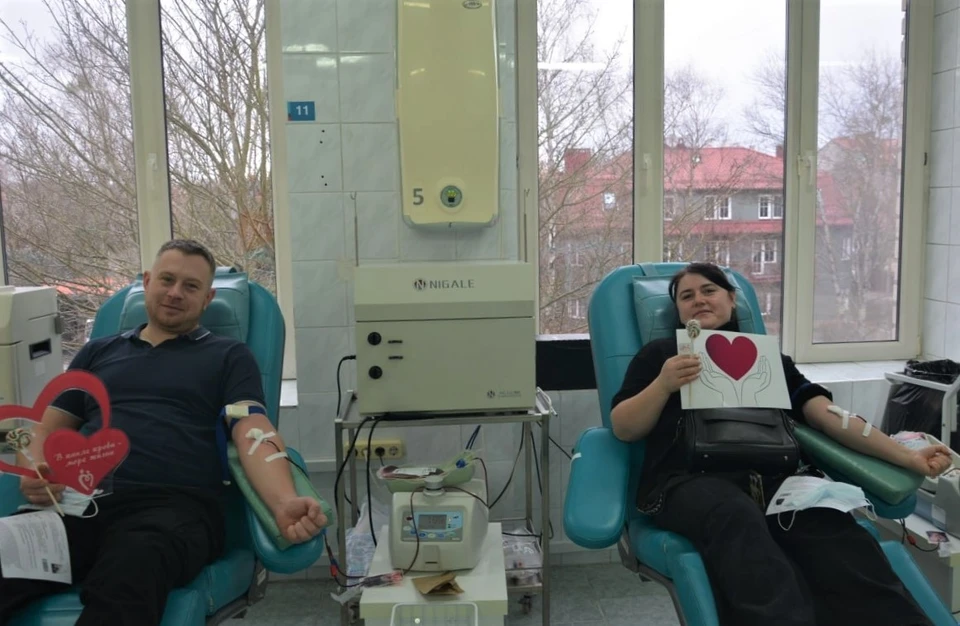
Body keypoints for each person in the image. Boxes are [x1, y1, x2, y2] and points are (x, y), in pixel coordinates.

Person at [0, 239, 326, 625]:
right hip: (77, 505)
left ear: (207, 299)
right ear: (147, 282)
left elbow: (252, 430)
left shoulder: (228, 356)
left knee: (129, 572)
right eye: (167, 280)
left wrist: (283, 500)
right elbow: (46, 428)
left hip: (171, 510)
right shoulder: (96, 353)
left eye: (191, 286)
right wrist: (36, 469)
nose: (175, 293)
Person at [610, 262, 952, 626]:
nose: (699, 300)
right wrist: (663, 384)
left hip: (775, 481)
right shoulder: (661, 356)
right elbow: (624, 427)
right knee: (735, 517)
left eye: (709, 290)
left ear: (731, 299)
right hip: (688, 480)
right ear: (678, 311)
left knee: (832, 528)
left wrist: (908, 457)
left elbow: (828, 416)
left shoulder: (768, 359)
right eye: (686, 296)